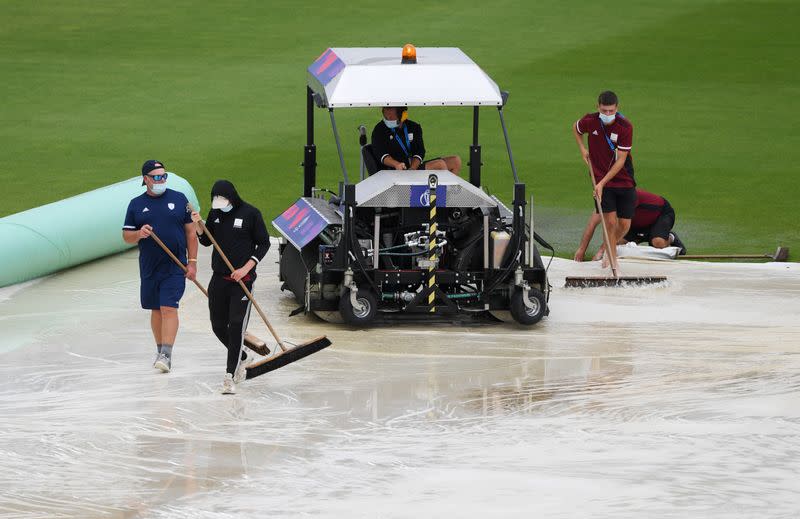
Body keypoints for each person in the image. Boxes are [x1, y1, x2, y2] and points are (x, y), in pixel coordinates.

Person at [191, 180, 269, 394]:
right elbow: (208, 241)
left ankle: (230, 375)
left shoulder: (251, 214)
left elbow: (264, 243)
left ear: (232, 197)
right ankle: (242, 356)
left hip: (242, 281)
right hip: (219, 278)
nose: (220, 204)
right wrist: (199, 224)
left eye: (223, 200)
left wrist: (245, 268)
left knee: (236, 325)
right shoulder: (215, 214)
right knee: (218, 326)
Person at [122, 160, 197, 373]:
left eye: (164, 176)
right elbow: (126, 236)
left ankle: (167, 353)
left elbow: (191, 234)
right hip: (149, 267)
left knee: (168, 307)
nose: (161, 180)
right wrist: (139, 234)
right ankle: (160, 349)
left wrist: (192, 263)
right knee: (156, 309)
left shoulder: (178, 199)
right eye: (156, 177)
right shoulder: (135, 204)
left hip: (175, 266)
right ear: (145, 179)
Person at [572, 91, 636, 267]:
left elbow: (621, 161)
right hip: (599, 176)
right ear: (598, 107)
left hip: (622, 178)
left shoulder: (625, 127)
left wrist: (601, 183)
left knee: (623, 224)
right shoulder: (590, 121)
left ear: (617, 108)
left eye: (611, 111)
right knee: (609, 222)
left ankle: (609, 247)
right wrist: (582, 149)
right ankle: (612, 262)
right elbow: (576, 128)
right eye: (604, 110)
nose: (607, 114)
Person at [574, 188, 686, 261]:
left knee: (658, 242)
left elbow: (616, 229)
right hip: (636, 224)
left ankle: (671, 237)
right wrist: (581, 250)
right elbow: (591, 225)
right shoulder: (604, 201)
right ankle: (645, 236)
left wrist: (600, 251)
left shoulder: (627, 198)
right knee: (616, 243)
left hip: (661, 215)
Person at [371, 106, 461, 174]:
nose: (388, 120)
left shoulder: (414, 127)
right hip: (396, 170)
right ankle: (441, 197)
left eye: (391, 117)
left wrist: (413, 168)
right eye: (386, 117)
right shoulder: (379, 130)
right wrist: (396, 164)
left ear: (402, 115)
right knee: (440, 165)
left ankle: (446, 194)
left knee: (455, 161)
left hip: (413, 168)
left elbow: (420, 150)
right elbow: (382, 154)